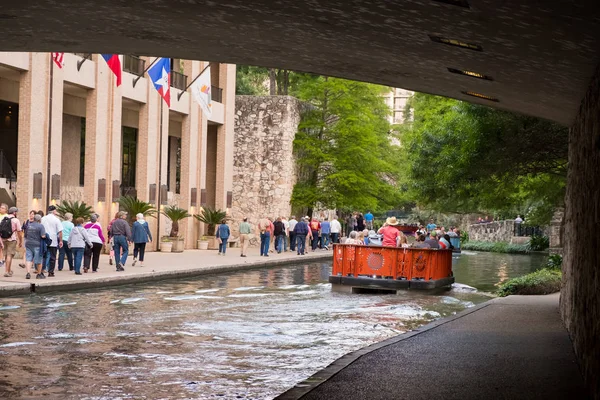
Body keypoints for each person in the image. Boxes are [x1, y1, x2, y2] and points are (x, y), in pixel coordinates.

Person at [41, 205, 63, 277]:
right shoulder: (56, 219)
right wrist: (60, 241)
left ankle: (41, 270)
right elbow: (60, 231)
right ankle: (51, 272)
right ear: (54, 211)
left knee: (43, 256)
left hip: (44, 239)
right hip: (53, 240)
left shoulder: (43, 218)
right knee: (53, 257)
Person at [1, 206, 22, 277]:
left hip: (4, 239)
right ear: (14, 212)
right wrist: (20, 241)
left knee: (6, 256)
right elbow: (19, 231)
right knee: (10, 255)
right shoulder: (16, 220)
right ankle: (6, 272)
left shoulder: (4, 219)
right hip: (12, 239)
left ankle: (9, 270)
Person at [25, 214, 47, 279]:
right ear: (40, 220)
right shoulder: (41, 226)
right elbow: (43, 236)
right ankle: (39, 274)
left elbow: (25, 235)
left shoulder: (28, 226)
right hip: (37, 244)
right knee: (39, 260)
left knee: (29, 259)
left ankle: (28, 273)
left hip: (28, 244)